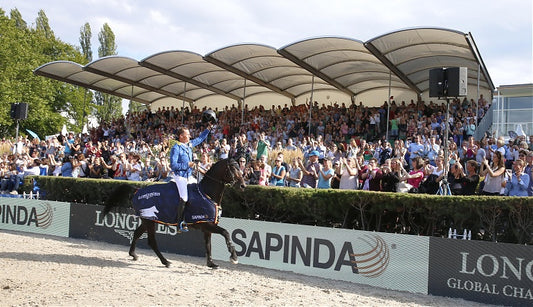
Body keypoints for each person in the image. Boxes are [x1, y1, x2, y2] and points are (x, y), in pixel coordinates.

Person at [170, 125, 212, 232]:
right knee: (184, 197)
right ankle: (179, 223)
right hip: (180, 176)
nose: (190, 136)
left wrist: (208, 129)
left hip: (188, 175)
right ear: (181, 136)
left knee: (199, 189)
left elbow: (199, 139)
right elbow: (173, 166)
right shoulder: (176, 148)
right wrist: (187, 164)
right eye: (187, 134)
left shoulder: (189, 144)